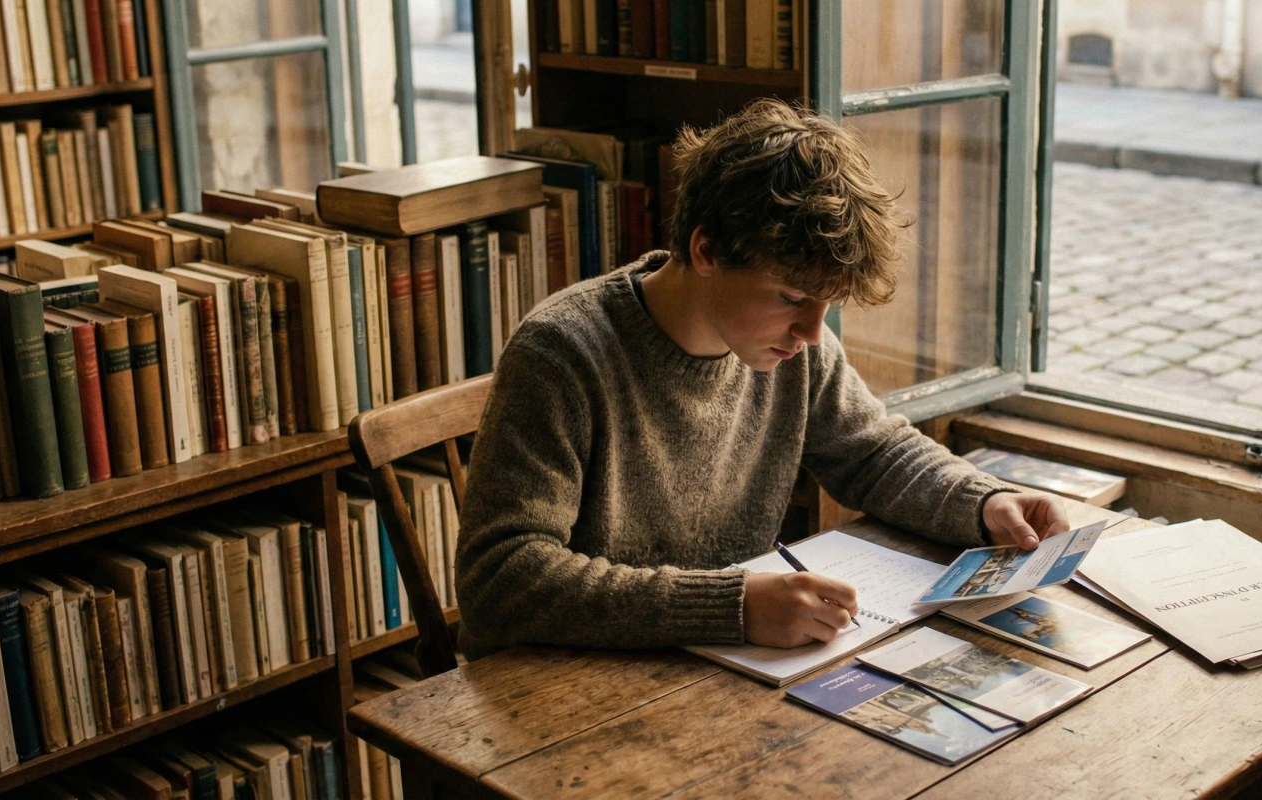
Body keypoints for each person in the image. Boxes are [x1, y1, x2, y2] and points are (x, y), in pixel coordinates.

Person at [455, 98, 1069, 659]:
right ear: (706, 252)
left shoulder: (793, 347)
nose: (810, 332)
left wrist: (983, 501)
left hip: (712, 669)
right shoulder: (562, 352)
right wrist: (730, 605)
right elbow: (503, 578)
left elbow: (874, 453)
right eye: (791, 296)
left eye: (829, 305)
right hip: (560, 685)